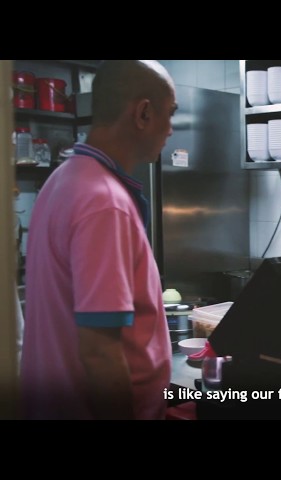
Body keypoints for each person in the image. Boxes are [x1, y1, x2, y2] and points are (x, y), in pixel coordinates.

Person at [20, 61, 177, 420]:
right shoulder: (105, 203)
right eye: (169, 114)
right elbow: (100, 353)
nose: (170, 129)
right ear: (143, 113)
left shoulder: (64, 179)